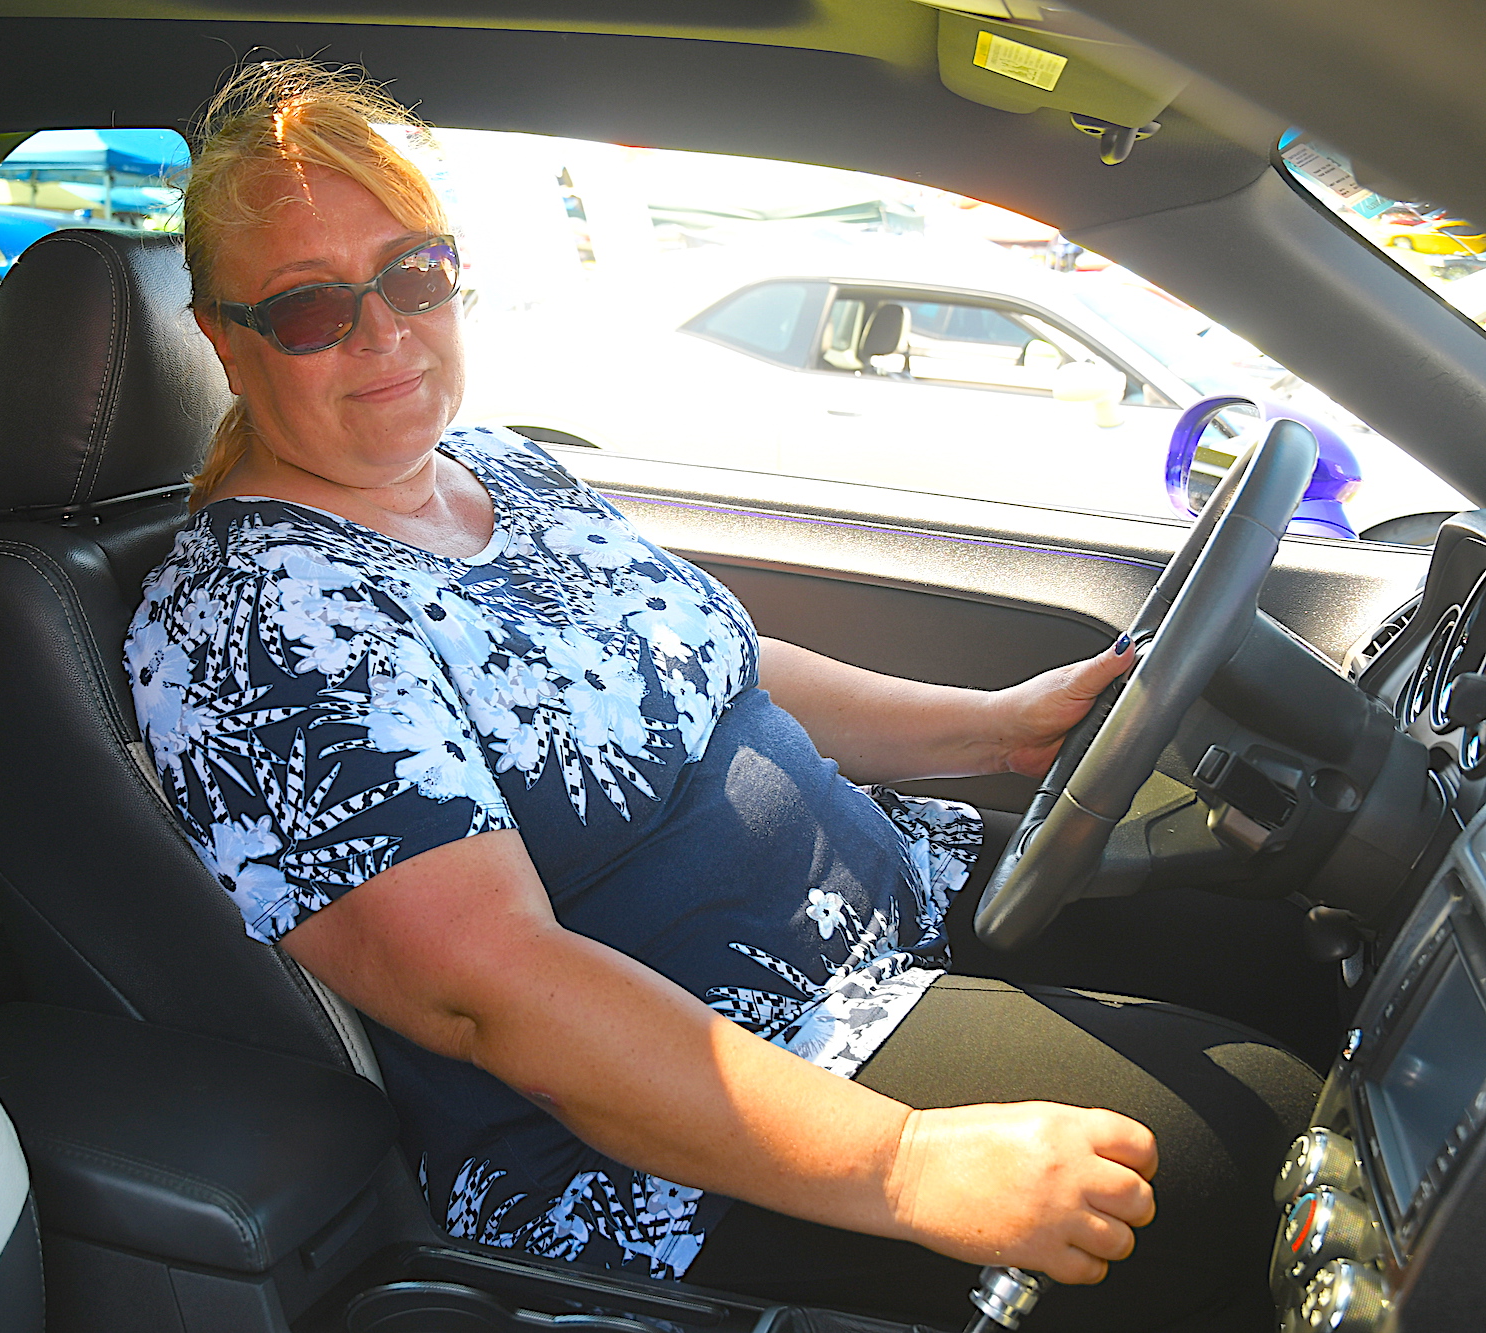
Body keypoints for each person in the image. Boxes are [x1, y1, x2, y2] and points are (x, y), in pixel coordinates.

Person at [125, 61, 1317, 1331]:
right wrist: (903, 1165)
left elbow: (716, 666)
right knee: (1246, 1145)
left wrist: (992, 723)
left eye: (413, 275)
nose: (382, 333)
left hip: (900, 912)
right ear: (223, 339)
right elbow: (493, 986)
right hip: (707, 1111)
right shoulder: (252, 622)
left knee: (1292, 943)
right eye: (310, 310)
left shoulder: (494, 467)